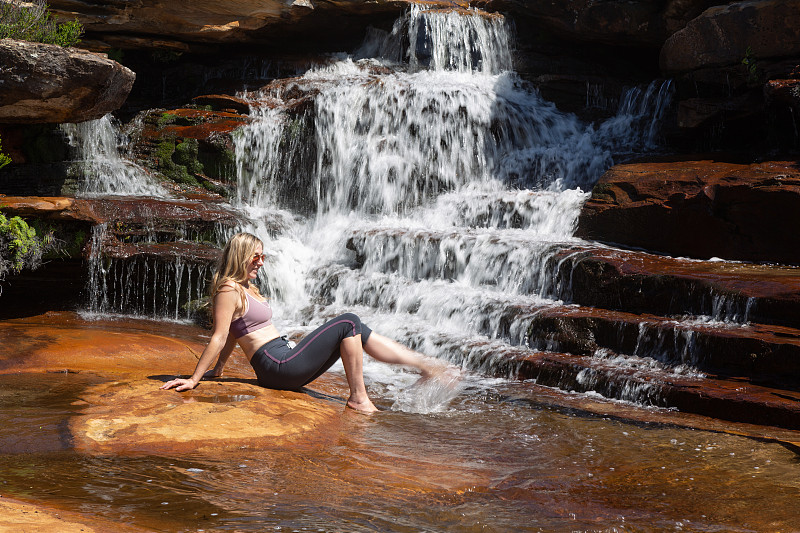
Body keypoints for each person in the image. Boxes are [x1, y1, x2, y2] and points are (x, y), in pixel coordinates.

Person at [160, 232, 447, 412]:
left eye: (263, 256)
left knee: (356, 329)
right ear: (241, 257)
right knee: (349, 321)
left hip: (282, 360)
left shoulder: (246, 288)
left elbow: (237, 332)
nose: (261, 262)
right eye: (256, 256)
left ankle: (423, 366)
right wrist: (195, 378)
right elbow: (220, 335)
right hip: (277, 364)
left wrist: (219, 370)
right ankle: (362, 396)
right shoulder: (228, 289)